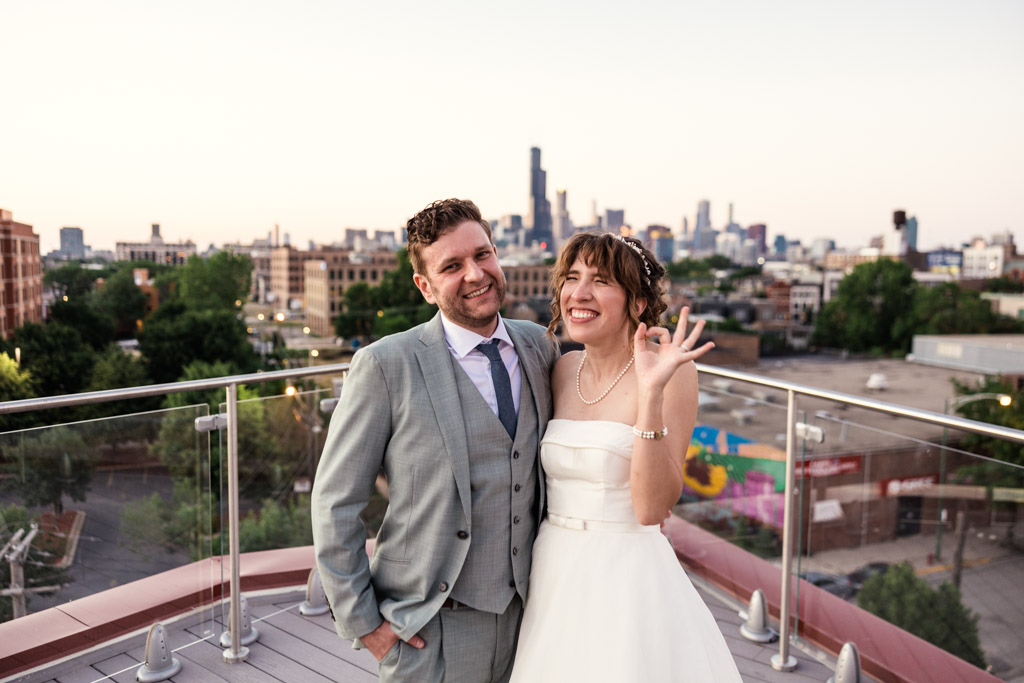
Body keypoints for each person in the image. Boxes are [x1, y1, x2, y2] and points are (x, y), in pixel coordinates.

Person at [311, 198, 559, 683]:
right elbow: (334, 501)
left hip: (529, 621)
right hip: (429, 630)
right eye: (452, 266)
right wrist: (367, 625)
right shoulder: (387, 365)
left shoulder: (539, 346)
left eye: (482, 254)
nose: (476, 273)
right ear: (425, 286)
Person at [509, 232, 743, 682]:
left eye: (600, 281)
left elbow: (651, 508)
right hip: (552, 567)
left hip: (626, 575)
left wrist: (651, 394)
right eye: (572, 278)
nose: (579, 293)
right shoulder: (561, 368)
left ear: (636, 303)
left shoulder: (672, 372)